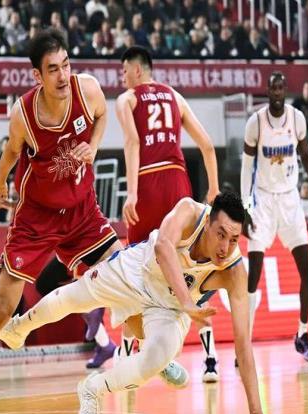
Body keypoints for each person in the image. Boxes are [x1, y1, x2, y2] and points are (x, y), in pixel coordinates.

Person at [0, 29, 125, 414]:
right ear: (37, 76)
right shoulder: (23, 114)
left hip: (82, 210)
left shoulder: (88, 90)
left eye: (66, 65)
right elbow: (10, 152)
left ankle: (148, 355)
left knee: (125, 272)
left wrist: (94, 145)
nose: (63, 75)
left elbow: (103, 115)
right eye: (53, 69)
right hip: (36, 217)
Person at [0, 192, 276, 414]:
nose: (225, 247)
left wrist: (256, 412)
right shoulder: (189, 211)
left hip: (169, 307)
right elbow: (163, 247)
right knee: (75, 297)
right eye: (220, 235)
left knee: (153, 360)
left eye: (234, 240)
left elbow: (243, 344)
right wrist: (188, 302)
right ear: (207, 224)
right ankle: (18, 327)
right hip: (137, 271)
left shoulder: (234, 272)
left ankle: (92, 390)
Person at [115, 46, 221, 382]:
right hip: (178, 185)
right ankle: (210, 358)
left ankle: (133, 353)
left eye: (123, 71)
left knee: (136, 273)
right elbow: (207, 145)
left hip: (148, 183)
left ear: (136, 70)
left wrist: (132, 192)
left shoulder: (127, 99)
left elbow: (132, 143)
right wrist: (214, 190)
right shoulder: (175, 96)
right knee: (189, 272)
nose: (122, 78)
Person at [241, 71, 308, 364]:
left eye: (281, 87)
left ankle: (302, 334)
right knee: (253, 277)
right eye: (273, 88)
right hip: (263, 201)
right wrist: (245, 208)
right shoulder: (256, 122)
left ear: (285, 90)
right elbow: (246, 167)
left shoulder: (297, 119)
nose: (278, 92)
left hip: (291, 201)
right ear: (268, 91)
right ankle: (245, 343)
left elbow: (306, 157)